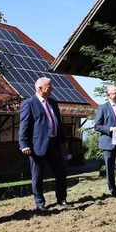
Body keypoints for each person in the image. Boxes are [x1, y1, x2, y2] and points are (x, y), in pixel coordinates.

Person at [19, 77, 71, 211]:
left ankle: (62, 199)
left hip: (54, 144)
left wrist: (64, 140)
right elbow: (24, 126)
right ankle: (40, 203)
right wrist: (24, 144)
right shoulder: (29, 103)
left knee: (61, 172)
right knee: (38, 175)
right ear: (39, 89)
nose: (52, 90)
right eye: (49, 87)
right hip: (38, 146)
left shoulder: (53, 103)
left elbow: (58, 123)